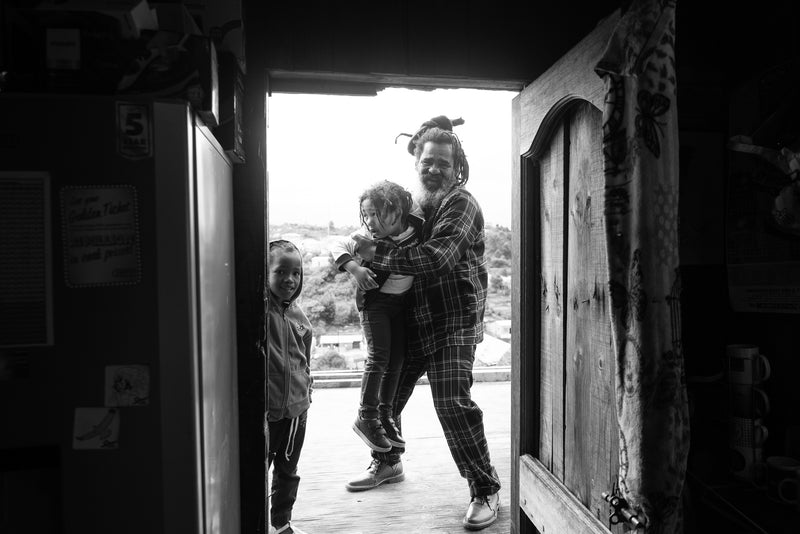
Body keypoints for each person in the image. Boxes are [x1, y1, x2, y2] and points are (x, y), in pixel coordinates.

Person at [345, 116, 502, 531]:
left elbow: (437, 259)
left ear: (457, 168)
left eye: (443, 164)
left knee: (451, 402)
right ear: (416, 161)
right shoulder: (413, 206)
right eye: (427, 161)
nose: (433, 169)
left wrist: (374, 253)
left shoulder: (461, 203)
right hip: (418, 317)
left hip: (456, 320)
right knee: (387, 396)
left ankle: (484, 488)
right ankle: (387, 462)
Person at [330, 180, 424, 455]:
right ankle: (366, 415)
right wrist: (354, 269)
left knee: (397, 360)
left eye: (377, 214)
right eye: (366, 214)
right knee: (379, 357)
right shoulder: (365, 236)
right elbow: (337, 244)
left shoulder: (415, 229)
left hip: (401, 305)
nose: (370, 221)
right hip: (376, 306)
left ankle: (385, 415)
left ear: (398, 211)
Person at [263, 239, 313, 534]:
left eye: (296, 273)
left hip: (296, 412)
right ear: (265, 272)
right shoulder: (258, 315)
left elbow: (305, 362)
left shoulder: (301, 319)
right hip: (267, 413)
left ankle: (281, 524)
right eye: (281, 271)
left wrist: (306, 395)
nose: (289, 279)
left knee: (288, 472)